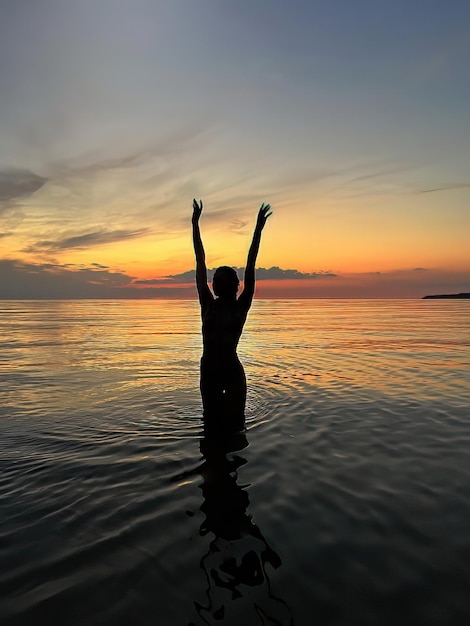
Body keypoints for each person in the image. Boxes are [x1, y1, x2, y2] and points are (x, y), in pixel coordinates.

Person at [192, 198, 272, 426]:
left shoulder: (241, 306)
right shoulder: (207, 304)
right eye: (215, 280)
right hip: (209, 371)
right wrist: (195, 224)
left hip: (232, 371)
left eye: (221, 281)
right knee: (210, 425)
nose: (216, 284)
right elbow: (200, 260)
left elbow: (251, 262)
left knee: (237, 426)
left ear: (234, 285)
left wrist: (258, 229)